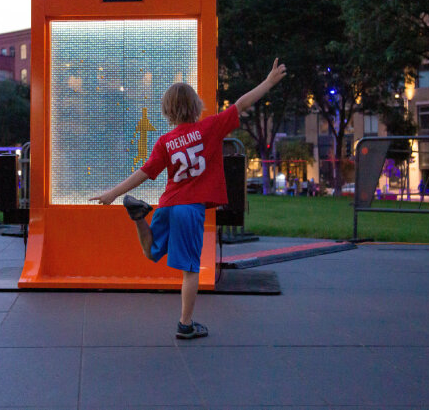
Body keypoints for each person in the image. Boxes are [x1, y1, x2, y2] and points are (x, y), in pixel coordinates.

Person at [90, 58, 287, 339]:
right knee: (190, 271)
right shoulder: (210, 128)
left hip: (167, 204)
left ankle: (139, 218)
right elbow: (241, 105)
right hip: (189, 210)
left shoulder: (165, 142)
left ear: (167, 111)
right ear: (196, 106)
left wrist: (112, 193)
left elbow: (145, 172)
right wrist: (268, 83)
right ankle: (186, 324)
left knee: (150, 252)